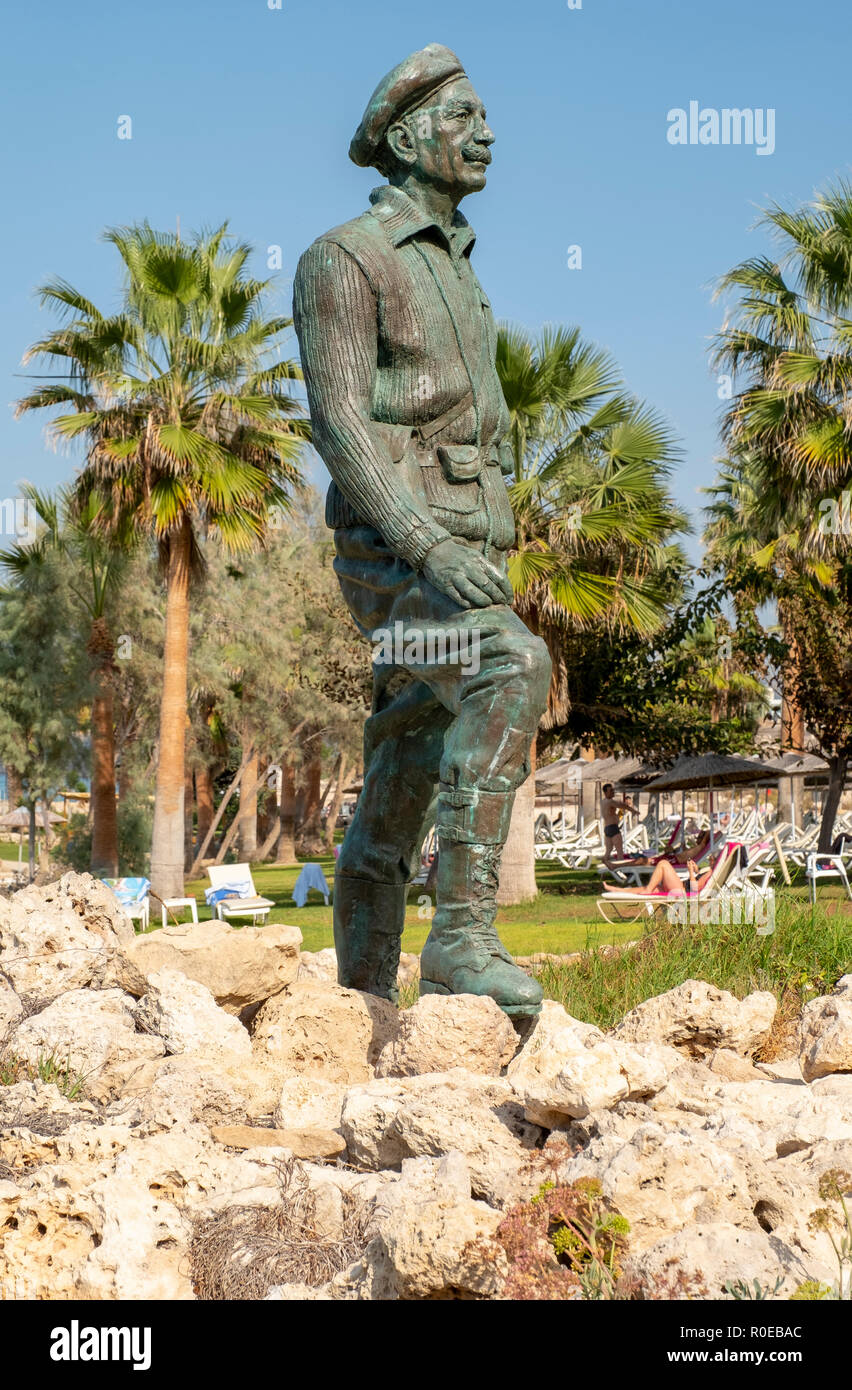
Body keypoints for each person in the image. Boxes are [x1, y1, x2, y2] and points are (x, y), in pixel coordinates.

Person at [293, 44, 551, 1017]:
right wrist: (428, 544)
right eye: (463, 117)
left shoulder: (463, 268)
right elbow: (341, 422)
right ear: (405, 139)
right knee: (507, 668)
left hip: (467, 552)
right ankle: (461, 940)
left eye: (485, 117)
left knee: (410, 744)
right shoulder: (346, 260)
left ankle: (360, 988)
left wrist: (479, 539)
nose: (485, 132)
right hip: (395, 559)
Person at [602, 855, 718, 896]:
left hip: (682, 891)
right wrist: (696, 871)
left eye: (712, 858)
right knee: (651, 889)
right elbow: (698, 882)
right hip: (681, 887)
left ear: (715, 861)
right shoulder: (709, 871)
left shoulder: (711, 873)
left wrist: (690, 872)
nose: (710, 859)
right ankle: (617, 890)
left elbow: (694, 889)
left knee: (663, 864)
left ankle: (648, 889)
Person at [601, 783, 636, 864]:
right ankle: (622, 871)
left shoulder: (603, 802)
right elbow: (623, 806)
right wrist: (633, 810)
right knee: (620, 851)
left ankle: (602, 874)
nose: (613, 792)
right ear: (605, 793)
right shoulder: (610, 801)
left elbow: (617, 806)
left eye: (613, 790)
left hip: (607, 829)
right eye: (611, 791)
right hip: (613, 828)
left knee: (608, 852)